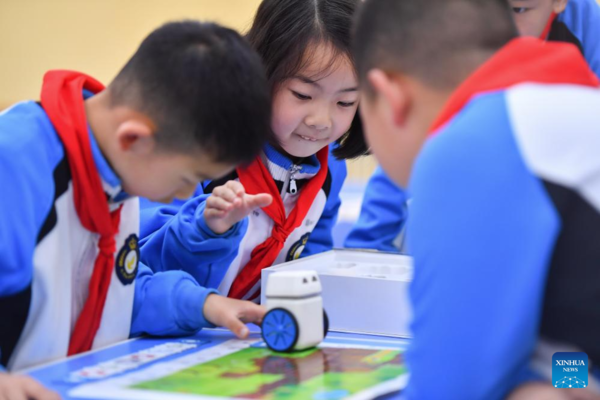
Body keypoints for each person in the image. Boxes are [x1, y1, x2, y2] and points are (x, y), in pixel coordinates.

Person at [0, 21, 272, 399]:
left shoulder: (115, 165)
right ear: (135, 138)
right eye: (185, 178)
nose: (180, 195)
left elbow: (118, 291)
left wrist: (202, 304)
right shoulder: (14, 161)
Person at [353, 0, 600, 399]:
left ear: (390, 97)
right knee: (543, 386)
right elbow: (572, 355)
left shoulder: (469, 145)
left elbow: (450, 390)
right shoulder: (556, 100)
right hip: (581, 364)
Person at [139, 0, 368, 302]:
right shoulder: (203, 149)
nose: (321, 122)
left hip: (252, 335)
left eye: (345, 103)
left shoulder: (330, 168)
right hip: (176, 327)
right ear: (261, 72)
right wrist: (207, 229)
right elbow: (145, 259)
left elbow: (313, 254)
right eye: (302, 95)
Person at [345, 0, 600, 254]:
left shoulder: (586, 31)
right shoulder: (462, 34)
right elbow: (409, 141)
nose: (503, 28)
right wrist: (368, 244)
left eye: (519, 11)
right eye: (490, 8)